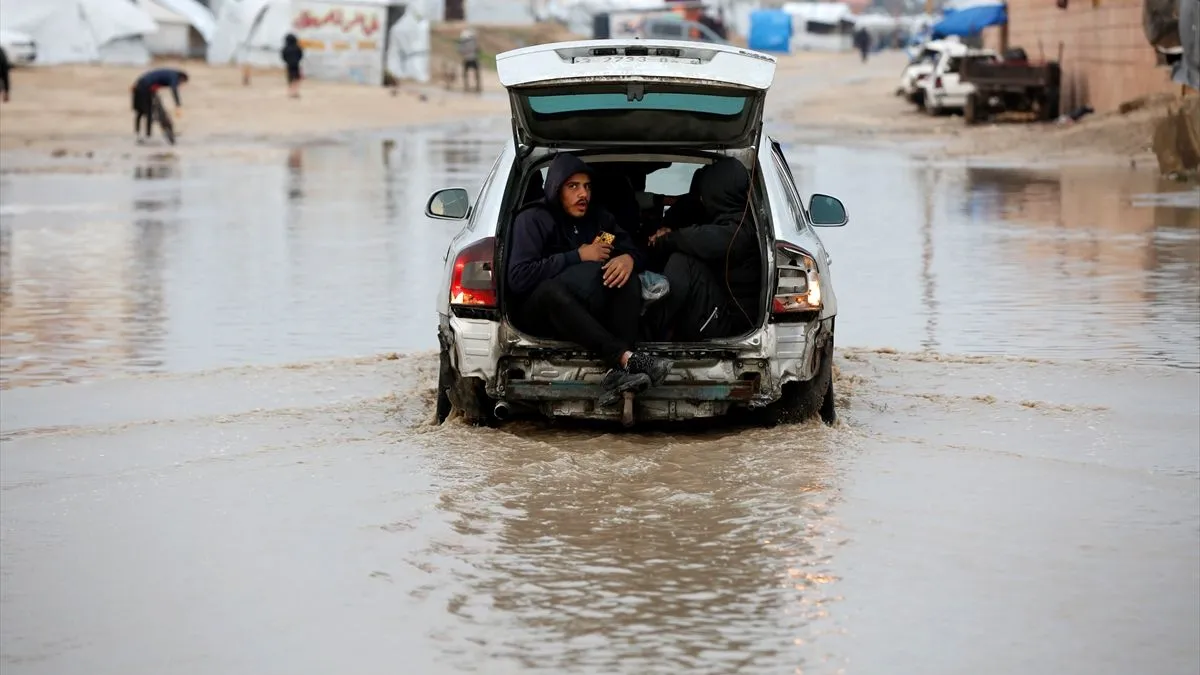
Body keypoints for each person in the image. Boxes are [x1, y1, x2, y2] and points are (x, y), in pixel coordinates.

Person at [507, 153, 672, 404]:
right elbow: (518, 277)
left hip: (585, 312)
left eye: (587, 187)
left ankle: (620, 374)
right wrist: (578, 255)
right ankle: (625, 358)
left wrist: (628, 259)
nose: (582, 194)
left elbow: (632, 247)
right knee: (551, 291)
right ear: (556, 188)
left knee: (624, 276)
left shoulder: (599, 220)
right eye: (573, 187)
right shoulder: (533, 220)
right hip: (540, 314)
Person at [645, 157, 761, 341]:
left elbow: (701, 239)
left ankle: (647, 332)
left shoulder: (740, 231)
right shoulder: (729, 217)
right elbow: (692, 221)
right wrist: (668, 229)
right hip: (715, 313)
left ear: (716, 193)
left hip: (730, 325)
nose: (701, 198)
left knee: (682, 262)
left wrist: (666, 239)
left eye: (705, 193)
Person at [132, 68, 188, 143]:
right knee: (147, 111)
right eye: (181, 82)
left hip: (142, 85)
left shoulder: (170, 73)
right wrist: (178, 105)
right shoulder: (174, 76)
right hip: (144, 87)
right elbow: (174, 90)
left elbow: (156, 81)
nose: (180, 84)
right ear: (181, 78)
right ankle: (146, 135)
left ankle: (140, 133)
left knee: (142, 112)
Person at [281, 33, 304, 98]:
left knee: (290, 78)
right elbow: (301, 55)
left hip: (289, 65)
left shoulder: (285, 48)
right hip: (296, 65)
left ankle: (290, 92)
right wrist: (297, 60)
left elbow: (283, 56)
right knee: (296, 78)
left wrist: (287, 61)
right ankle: (295, 92)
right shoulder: (297, 48)